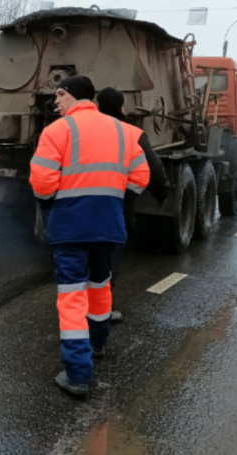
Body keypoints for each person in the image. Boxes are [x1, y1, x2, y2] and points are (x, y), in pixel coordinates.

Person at [29, 76, 150, 397]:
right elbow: (141, 176)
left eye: (60, 94)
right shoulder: (123, 132)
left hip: (70, 228)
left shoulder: (56, 131)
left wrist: (53, 201)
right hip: (109, 225)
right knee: (100, 284)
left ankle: (78, 375)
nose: (56, 101)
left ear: (75, 97)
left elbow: (41, 181)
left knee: (72, 296)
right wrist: (115, 199)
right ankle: (98, 344)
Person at [96, 87, 171, 323]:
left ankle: (77, 311)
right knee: (107, 262)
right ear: (121, 108)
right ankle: (99, 314)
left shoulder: (78, 129)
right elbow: (153, 168)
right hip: (114, 208)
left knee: (79, 261)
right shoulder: (132, 134)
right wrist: (161, 192)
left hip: (77, 207)